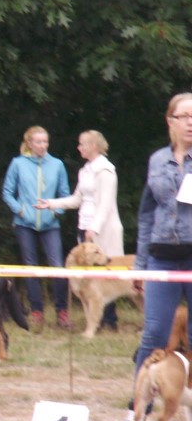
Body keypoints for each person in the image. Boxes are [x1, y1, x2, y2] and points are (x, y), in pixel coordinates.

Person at [120, 93, 192, 421]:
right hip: (162, 257)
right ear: (171, 121)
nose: (190, 122)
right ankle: (137, 410)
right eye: (185, 116)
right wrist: (140, 264)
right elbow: (146, 215)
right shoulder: (156, 160)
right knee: (154, 334)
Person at [35, 130, 123, 330]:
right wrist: (50, 203)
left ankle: (110, 320)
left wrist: (94, 228)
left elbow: (106, 204)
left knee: (107, 273)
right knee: (91, 276)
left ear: (93, 146)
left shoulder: (106, 170)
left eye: (82, 144)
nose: (79, 148)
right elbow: (77, 199)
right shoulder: (85, 170)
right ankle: (96, 320)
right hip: (85, 226)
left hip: (103, 228)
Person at [1, 125, 71, 331]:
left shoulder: (57, 164)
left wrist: (56, 212)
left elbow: (65, 195)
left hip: (51, 224)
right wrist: (20, 210)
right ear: (29, 143)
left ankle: (62, 311)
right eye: (38, 142)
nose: (42, 145)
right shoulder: (18, 163)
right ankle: (37, 311)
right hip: (25, 223)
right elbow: (7, 192)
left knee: (57, 266)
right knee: (31, 268)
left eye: (45, 142)